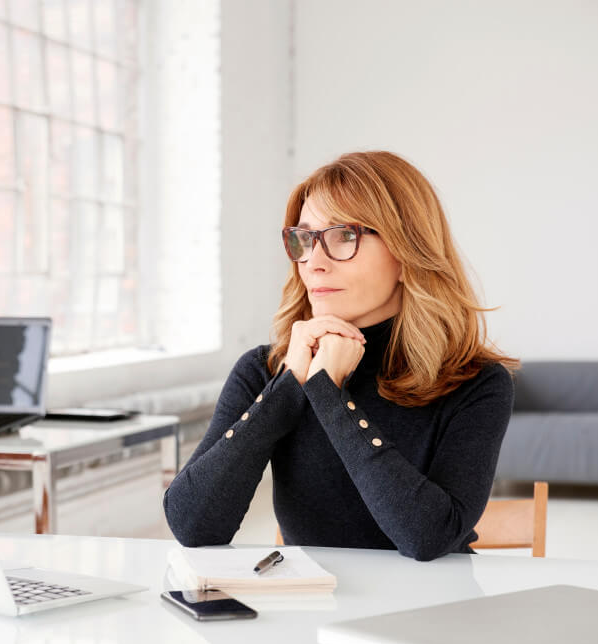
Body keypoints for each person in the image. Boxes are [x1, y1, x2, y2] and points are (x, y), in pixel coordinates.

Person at [163, 151, 519, 561]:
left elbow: (427, 538)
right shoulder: (265, 370)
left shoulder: (475, 381)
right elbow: (192, 525)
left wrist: (329, 393)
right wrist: (288, 386)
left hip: (432, 614)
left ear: (407, 252)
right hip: (312, 613)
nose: (313, 263)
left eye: (343, 237)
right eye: (305, 239)